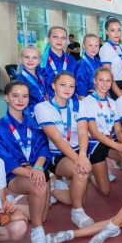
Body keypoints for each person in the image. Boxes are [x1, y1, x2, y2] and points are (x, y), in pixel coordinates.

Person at [0, 81, 54, 243]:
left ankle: (9, 205)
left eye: (25, 96)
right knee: (38, 186)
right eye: (15, 95)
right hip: (16, 174)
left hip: (38, 170)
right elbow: (4, 160)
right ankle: (37, 230)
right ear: (6, 97)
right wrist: (31, 173)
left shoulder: (34, 122)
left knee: (41, 214)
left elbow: (43, 147)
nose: (20, 100)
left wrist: (38, 168)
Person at [34, 72, 94, 228]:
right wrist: (79, 160)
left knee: (77, 197)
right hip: (57, 154)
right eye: (63, 85)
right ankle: (77, 212)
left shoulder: (79, 105)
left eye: (71, 86)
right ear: (53, 86)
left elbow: (83, 132)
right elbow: (58, 140)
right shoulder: (42, 107)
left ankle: (53, 189)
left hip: (79, 151)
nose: (68, 89)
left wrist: (82, 155)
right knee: (81, 172)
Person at [80, 68, 122, 194]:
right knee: (105, 191)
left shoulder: (112, 102)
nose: (105, 84)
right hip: (95, 145)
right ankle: (91, 175)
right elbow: (94, 132)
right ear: (95, 81)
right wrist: (119, 146)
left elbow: (118, 129)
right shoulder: (86, 102)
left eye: (108, 81)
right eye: (101, 80)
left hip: (111, 141)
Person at [40, 26, 77, 99]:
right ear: (48, 38)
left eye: (63, 38)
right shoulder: (40, 61)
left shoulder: (71, 60)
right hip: (47, 102)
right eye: (55, 37)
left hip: (69, 100)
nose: (59, 40)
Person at [99, 17, 122, 98]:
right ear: (106, 32)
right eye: (112, 30)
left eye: (119, 30)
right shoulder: (106, 48)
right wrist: (119, 94)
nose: (116, 33)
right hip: (114, 87)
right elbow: (108, 75)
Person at [16, 46, 48, 116]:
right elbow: (19, 104)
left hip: (45, 110)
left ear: (39, 60)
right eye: (27, 57)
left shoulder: (41, 76)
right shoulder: (19, 81)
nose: (30, 60)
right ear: (21, 59)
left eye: (34, 57)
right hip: (31, 115)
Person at [75, 33, 102, 99]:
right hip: (88, 97)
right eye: (90, 45)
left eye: (96, 45)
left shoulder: (99, 61)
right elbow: (81, 86)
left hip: (101, 94)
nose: (94, 48)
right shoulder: (81, 64)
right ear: (83, 46)